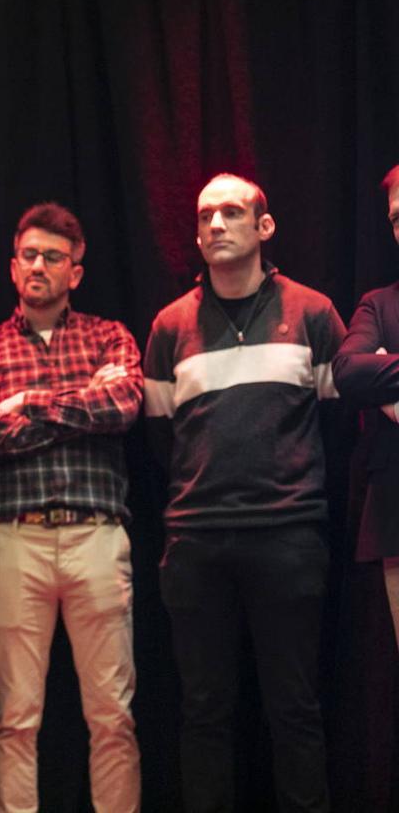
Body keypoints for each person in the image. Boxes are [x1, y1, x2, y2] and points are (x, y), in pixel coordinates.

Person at [144, 174, 343, 812]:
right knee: (204, 711)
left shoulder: (313, 311)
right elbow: (159, 439)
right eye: (205, 215)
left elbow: (337, 423)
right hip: (197, 543)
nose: (215, 225)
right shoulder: (169, 326)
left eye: (232, 212)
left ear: (264, 227)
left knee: (295, 708)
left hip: (288, 537)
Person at [0, 203, 143, 812]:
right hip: (17, 539)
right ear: (14, 268)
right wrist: (77, 399)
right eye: (29, 256)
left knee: (112, 715)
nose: (39, 266)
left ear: (75, 272)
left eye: (53, 257)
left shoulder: (109, 335)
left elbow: (121, 408)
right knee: (14, 717)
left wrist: (26, 403)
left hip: (96, 534)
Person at [332, 164, 399, 645]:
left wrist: (389, 388)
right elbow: (349, 371)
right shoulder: (379, 305)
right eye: (397, 219)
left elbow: (369, 371)